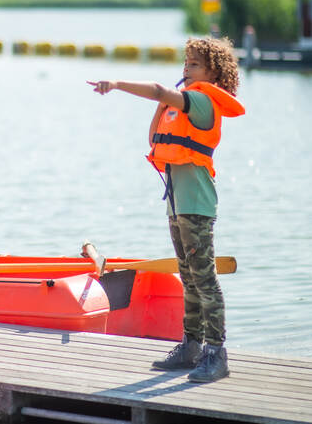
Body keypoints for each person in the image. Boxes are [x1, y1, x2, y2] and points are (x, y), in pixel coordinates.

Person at [87, 37, 244, 383]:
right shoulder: (183, 103)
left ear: (213, 73)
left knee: (204, 280)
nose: (186, 69)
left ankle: (216, 355)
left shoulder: (202, 102)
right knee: (188, 279)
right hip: (178, 206)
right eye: (185, 63)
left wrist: (115, 84)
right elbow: (159, 131)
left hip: (197, 207)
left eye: (194, 65)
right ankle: (191, 346)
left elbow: (159, 90)